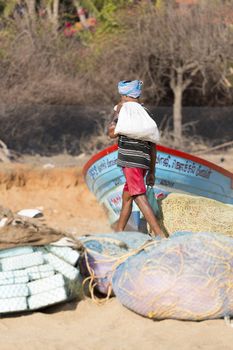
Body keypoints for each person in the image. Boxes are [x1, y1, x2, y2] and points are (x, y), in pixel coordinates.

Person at [108, 80, 166, 238]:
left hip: (130, 160)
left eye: (121, 96)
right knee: (127, 196)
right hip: (143, 161)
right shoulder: (145, 112)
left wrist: (116, 113)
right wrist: (152, 171)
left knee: (138, 195)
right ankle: (118, 234)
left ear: (125, 96)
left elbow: (111, 132)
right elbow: (152, 145)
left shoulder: (123, 110)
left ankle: (159, 234)